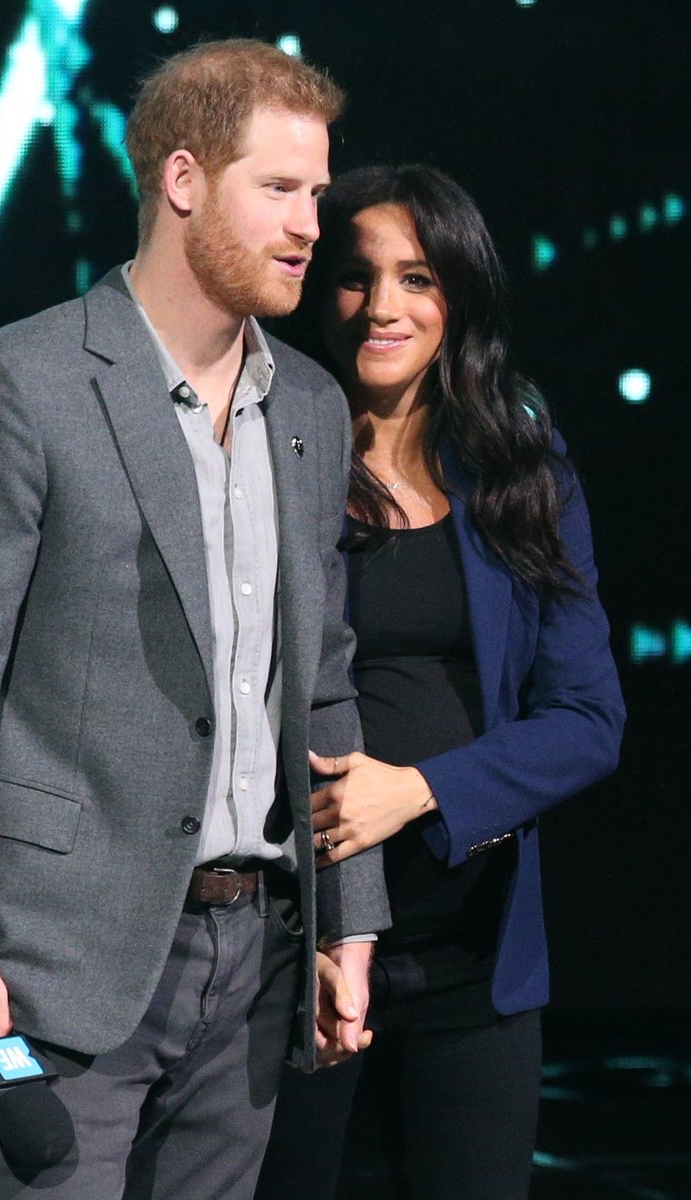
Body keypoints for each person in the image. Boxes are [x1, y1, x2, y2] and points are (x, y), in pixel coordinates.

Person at [0, 40, 391, 1200]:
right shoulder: (22, 383)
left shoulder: (305, 402)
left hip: (254, 956)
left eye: (316, 192)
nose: (312, 223)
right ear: (182, 179)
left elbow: (322, 681)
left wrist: (346, 921)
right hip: (64, 956)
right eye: (278, 188)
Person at [256, 165, 625, 1200]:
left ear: (455, 296)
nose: (382, 307)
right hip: (288, 963)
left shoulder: (520, 466)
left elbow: (587, 720)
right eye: (354, 277)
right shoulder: (258, 458)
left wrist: (415, 790)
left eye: (416, 278)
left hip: (475, 964)